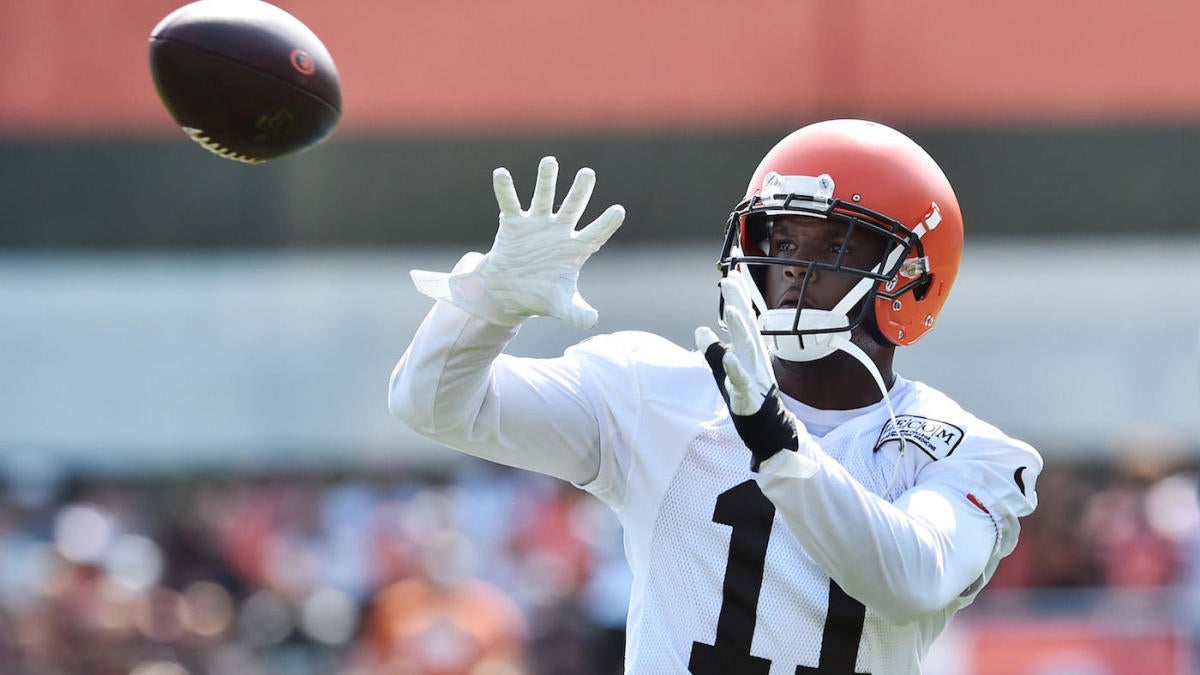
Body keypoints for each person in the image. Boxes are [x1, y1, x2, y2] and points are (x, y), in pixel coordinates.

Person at [389, 119, 1042, 674]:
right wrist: (488, 301)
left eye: (835, 245)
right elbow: (431, 404)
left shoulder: (963, 450)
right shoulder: (653, 388)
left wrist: (779, 444)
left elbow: (906, 581)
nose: (793, 268)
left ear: (911, 276)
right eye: (783, 240)